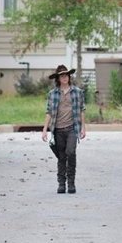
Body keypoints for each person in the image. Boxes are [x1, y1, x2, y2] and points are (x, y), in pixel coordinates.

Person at [41, 64, 86, 194]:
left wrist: (83, 128)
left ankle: (71, 183)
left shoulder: (77, 92)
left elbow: (82, 110)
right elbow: (49, 112)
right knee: (61, 157)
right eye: (62, 76)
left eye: (66, 75)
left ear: (69, 77)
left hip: (72, 128)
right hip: (58, 130)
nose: (65, 77)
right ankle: (61, 184)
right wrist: (45, 129)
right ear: (58, 79)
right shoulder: (52, 94)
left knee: (70, 152)